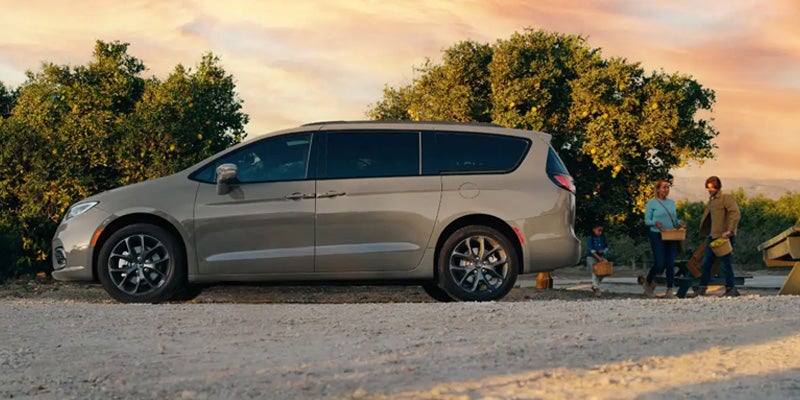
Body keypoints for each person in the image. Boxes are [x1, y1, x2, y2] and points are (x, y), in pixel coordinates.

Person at [697, 176, 741, 297]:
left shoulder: (726, 198)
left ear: (718, 187)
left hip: (724, 236)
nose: (710, 190)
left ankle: (731, 288)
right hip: (713, 236)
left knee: (725, 264)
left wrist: (730, 230)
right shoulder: (711, 201)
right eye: (708, 188)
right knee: (706, 263)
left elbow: (735, 213)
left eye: (712, 188)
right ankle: (702, 288)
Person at [643, 180, 686, 298]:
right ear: (658, 189)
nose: (666, 189)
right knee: (660, 263)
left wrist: (679, 222)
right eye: (664, 187)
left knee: (670, 263)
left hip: (671, 235)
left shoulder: (671, 203)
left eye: (668, 187)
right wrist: (655, 223)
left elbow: (674, 220)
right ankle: (648, 282)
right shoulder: (651, 203)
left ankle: (670, 290)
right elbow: (647, 221)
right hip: (657, 234)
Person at [586, 222, 610, 297]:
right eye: (598, 230)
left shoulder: (603, 237)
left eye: (601, 231)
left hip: (601, 256)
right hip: (592, 257)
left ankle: (594, 285)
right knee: (595, 271)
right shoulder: (590, 238)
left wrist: (603, 252)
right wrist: (599, 258)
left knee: (603, 272)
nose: (600, 232)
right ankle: (596, 288)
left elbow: (606, 247)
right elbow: (591, 250)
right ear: (594, 229)